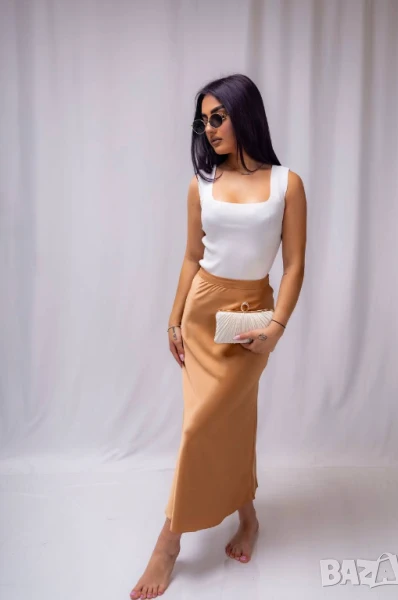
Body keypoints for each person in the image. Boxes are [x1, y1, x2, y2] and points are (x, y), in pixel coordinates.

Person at [130, 73, 307, 599]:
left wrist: (276, 327)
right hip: (202, 315)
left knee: (206, 423)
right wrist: (173, 319)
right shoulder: (200, 185)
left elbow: (295, 266)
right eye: (203, 120)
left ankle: (168, 542)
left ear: (243, 113)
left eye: (218, 117)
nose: (209, 129)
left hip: (251, 314)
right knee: (217, 423)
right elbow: (191, 257)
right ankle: (246, 518)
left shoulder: (287, 184)